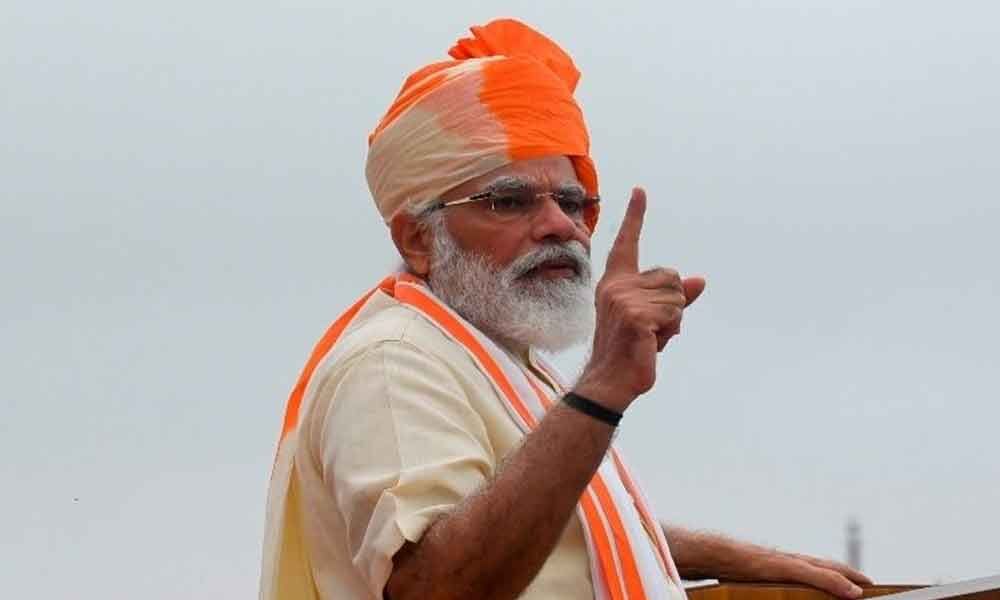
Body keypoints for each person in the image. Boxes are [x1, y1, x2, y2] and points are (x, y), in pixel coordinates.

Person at [260, 18, 872, 600]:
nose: (561, 225)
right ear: (419, 239)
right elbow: (436, 585)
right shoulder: (395, 362)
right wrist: (602, 387)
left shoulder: (501, 358)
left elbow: (557, 530)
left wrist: (732, 558)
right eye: (509, 201)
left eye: (573, 201)